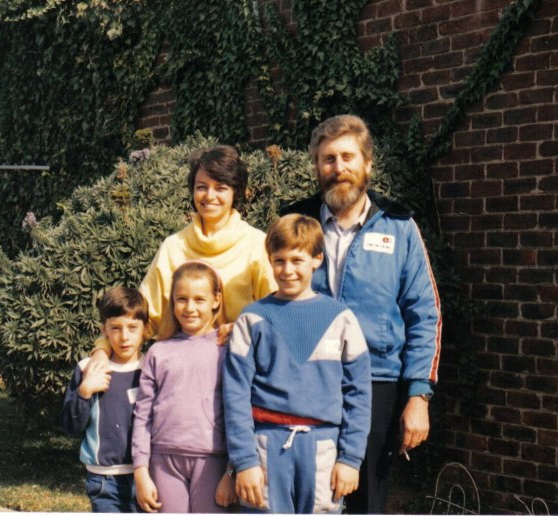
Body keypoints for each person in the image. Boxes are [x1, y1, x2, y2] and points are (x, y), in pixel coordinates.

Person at [280, 114, 442, 514]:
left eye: (348, 157)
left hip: (376, 382)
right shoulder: (296, 222)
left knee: (365, 496)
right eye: (328, 159)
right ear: (317, 166)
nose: (339, 169)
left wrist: (418, 394)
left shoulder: (399, 227)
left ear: (367, 164)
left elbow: (424, 313)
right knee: (305, 493)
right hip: (308, 380)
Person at [223, 214, 372, 513]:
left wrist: (350, 460)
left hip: (323, 448)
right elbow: (235, 395)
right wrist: (245, 461)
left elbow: (359, 395)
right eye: (279, 261)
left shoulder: (340, 319)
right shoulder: (252, 318)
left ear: (317, 259)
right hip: (265, 446)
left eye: (297, 260)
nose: (287, 270)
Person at [90, 145, 276, 359]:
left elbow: (277, 316)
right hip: (182, 368)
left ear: (236, 191)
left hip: (240, 366)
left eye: (221, 187)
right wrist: (102, 350)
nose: (210, 196)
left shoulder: (256, 244)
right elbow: (140, 317)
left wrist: (243, 328)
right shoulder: (173, 247)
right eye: (202, 187)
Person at [131, 261, 236, 513]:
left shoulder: (227, 350)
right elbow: (142, 414)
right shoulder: (158, 352)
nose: (189, 308)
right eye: (182, 299)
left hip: (213, 460)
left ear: (216, 300)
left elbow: (239, 412)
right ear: (172, 301)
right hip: (163, 460)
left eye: (199, 299)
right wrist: (140, 471)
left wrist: (232, 471)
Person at [61, 286, 149, 513]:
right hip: (104, 481)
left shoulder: (152, 368)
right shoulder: (87, 369)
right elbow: (70, 426)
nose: (124, 337)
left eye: (132, 328)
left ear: (145, 329)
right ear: (104, 330)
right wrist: (84, 391)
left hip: (147, 476)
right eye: (115, 328)